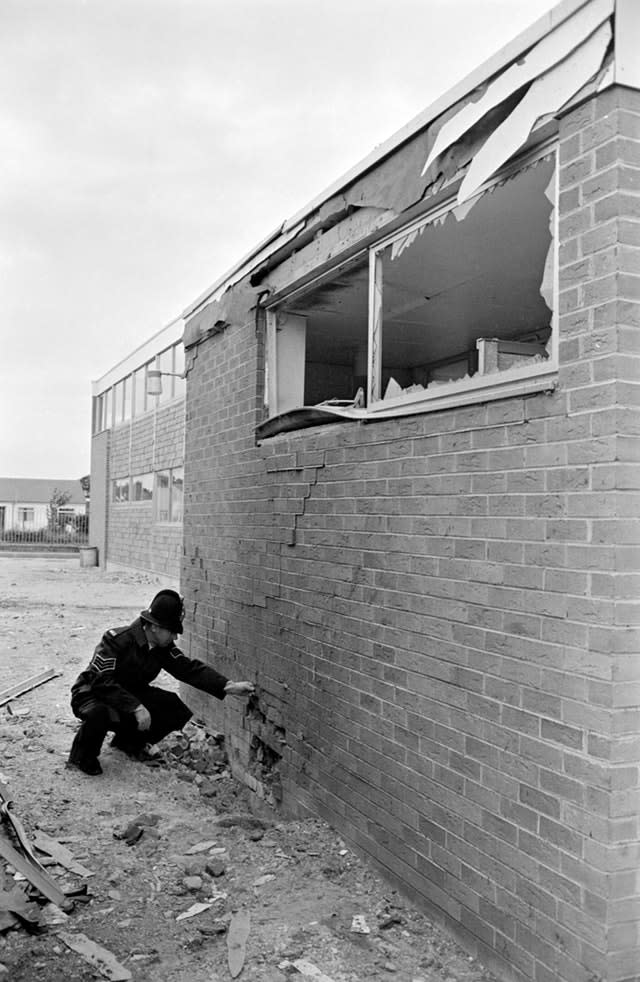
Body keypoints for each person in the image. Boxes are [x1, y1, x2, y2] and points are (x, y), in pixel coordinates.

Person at [67, 589, 255, 776]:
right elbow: (102, 682)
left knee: (173, 707)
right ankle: (81, 757)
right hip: (92, 694)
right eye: (172, 631)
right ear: (154, 626)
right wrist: (137, 707)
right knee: (98, 713)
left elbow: (188, 669)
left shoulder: (162, 647)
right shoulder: (116, 640)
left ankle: (128, 744)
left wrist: (228, 686)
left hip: (129, 695)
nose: (175, 637)